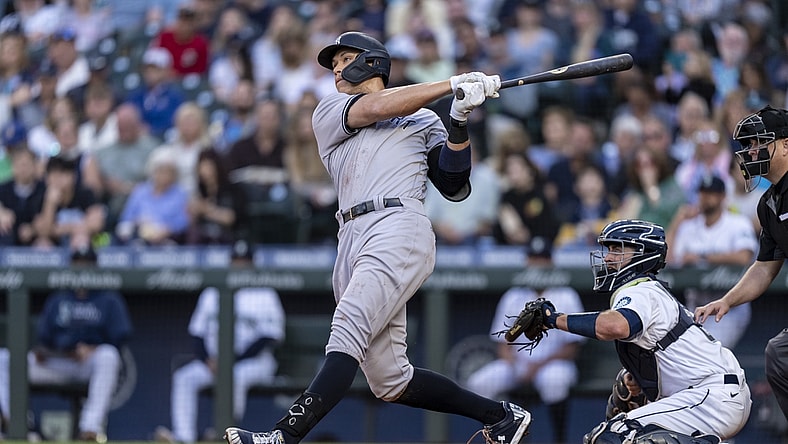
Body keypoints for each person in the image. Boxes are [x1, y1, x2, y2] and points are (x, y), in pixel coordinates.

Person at [223, 31, 532, 444]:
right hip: (350, 234)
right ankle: (500, 416)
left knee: (347, 328)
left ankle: (283, 436)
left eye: (343, 58)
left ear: (371, 62)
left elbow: (454, 183)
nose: (335, 67)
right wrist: (449, 84)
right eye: (333, 62)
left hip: (398, 225)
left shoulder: (424, 118)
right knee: (390, 380)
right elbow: (374, 108)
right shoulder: (330, 109)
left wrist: (458, 119)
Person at [532, 219, 751, 443]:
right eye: (609, 250)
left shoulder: (642, 290)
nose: (608, 257)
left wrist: (554, 319)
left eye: (617, 249)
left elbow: (615, 326)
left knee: (614, 436)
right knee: (623, 390)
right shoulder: (649, 290)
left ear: (642, 254)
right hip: (708, 397)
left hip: (710, 397)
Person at [695, 105, 788, 422]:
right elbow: (764, 266)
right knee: (779, 354)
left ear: (786, 144)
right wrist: (726, 300)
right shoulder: (769, 204)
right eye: (747, 145)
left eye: (757, 142)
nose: (750, 152)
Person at [156, 240, 285, 444]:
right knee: (184, 377)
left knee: (236, 375)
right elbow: (197, 334)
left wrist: (231, 360)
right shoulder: (212, 292)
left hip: (254, 363)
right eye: (236, 261)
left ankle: (223, 435)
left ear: (253, 265)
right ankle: (184, 437)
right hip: (214, 363)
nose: (240, 266)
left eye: (244, 262)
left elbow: (269, 337)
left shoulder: (264, 293)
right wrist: (209, 360)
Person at [0, 246, 133, 442]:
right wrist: (47, 352)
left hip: (89, 364)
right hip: (58, 362)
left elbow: (119, 338)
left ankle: (90, 428)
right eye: (77, 264)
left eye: (86, 265)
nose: (81, 269)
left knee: (108, 356)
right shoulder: (59, 298)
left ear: (95, 267)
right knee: (3, 358)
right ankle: (16, 423)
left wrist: (92, 348)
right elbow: (43, 340)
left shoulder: (108, 298)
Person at [466, 239, 585, 443]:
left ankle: (560, 439)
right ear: (526, 261)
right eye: (533, 259)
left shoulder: (566, 294)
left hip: (554, 364)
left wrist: (537, 366)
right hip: (517, 364)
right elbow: (503, 343)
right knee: (479, 382)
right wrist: (515, 365)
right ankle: (500, 435)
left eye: (543, 259)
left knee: (554, 381)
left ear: (551, 262)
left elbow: (572, 348)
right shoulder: (513, 295)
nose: (538, 264)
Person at [666, 175, 757, 349]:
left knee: (707, 350)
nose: (705, 197)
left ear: (723, 196)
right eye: (702, 192)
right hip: (694, 306)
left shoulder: (737, 223)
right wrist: (677, 221)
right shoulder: (689, 226)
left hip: (729, 307)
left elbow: (744, 257)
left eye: (711, 193)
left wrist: (701, 257)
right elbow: (668, 260)